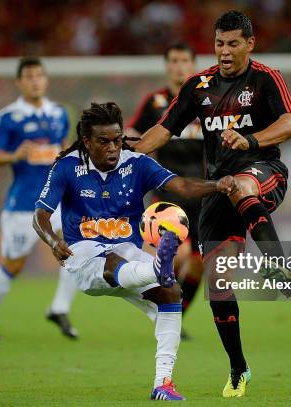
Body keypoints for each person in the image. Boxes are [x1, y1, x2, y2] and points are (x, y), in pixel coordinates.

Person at [132, 10, 291, 398]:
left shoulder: (265, 78)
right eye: (219, 43)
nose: (224, 51)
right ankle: (239, 367)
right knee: (219, 286)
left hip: (264, 171)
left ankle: (276, 264)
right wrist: (130, 154)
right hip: (217, 190)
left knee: (242, 185)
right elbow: (162, 131)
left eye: (233, 44)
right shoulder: (198, 86)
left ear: (249, 44)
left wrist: (251, 140)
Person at [33, 102, 238, 400]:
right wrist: (53, 241)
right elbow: (40, 214)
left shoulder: (136, 164)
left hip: (128, 254)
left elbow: (180, 186)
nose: (113, 148)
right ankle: (157, 268)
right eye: (103, 142)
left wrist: (216, 185)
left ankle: (163, 383)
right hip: (84, 256)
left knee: (171, 294)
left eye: (117, 140)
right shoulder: (66, 167)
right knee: (113, 261)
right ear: (87, 141)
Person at [0, 57, 79, 341]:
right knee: (14, 264)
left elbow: (62, 150)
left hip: (57, 200)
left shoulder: (59, 113)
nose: (35, 80)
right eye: (29, 76)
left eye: (39, 75)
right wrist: (14, 155)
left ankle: (59, 308)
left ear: (46, 80)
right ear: (19, 82)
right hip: (24, 204)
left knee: (74, 249)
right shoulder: (8, 117)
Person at [126, 43, 203, 340]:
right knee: (179, 253)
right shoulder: (156, 102)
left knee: (198, 264)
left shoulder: (207, 100)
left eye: (185, 60)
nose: (179, 66)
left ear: (194, 64)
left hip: (203, 193)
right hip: (168, 191)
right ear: (167, 65)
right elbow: (135, 132)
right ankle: (166, 313)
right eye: (174, 60)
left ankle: (171, 315)